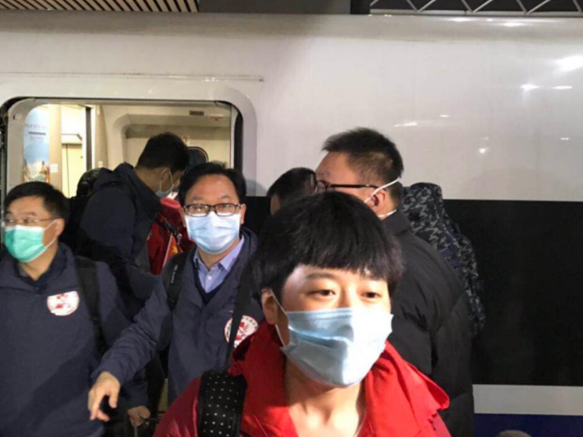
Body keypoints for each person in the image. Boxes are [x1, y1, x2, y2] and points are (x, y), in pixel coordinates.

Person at [154, 192, 451, 437]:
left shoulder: (419, 419)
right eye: (324, 291)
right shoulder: (209, 413)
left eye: (371, 294)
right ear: (272, 306)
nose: (351, 315)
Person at [0, 182, 146, 437]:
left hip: (80, 428)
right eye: (10, 220)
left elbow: (121, 340)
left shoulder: (91, 278)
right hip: (7, 428)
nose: (16, 229)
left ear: (56, 227)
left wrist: (136, 397)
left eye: (28, 220)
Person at [315, 128, 473, 437]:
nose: (317, 198)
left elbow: (394, 384)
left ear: (375, 198)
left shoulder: (385, 272)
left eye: (328, 187)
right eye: (316, 185)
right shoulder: (413, 248)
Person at [87, 163, 263, 425]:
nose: (212, 216)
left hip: (247, 425)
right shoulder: (177, 272)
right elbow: (146, 333)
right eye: (199, 207)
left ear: (241, 213)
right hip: (184, 421)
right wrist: (111, 371)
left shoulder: (269, 273)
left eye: (224, 206)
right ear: (184, 215)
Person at [78, 132, 189, 318]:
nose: (176, 184)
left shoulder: (135, 198)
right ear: (165, 174)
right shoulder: (115, 201)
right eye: (177, 178)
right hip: (104, 305)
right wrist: (165, 289)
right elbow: (115, 268)